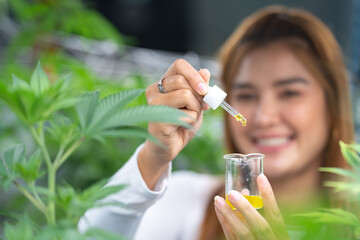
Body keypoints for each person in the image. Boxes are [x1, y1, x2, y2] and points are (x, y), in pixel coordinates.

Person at [78, 5, 355, 240]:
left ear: (332, 105)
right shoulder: (186, 201)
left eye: (290, 93)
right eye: (246, 94)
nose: (263, 117)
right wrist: (154, 156)